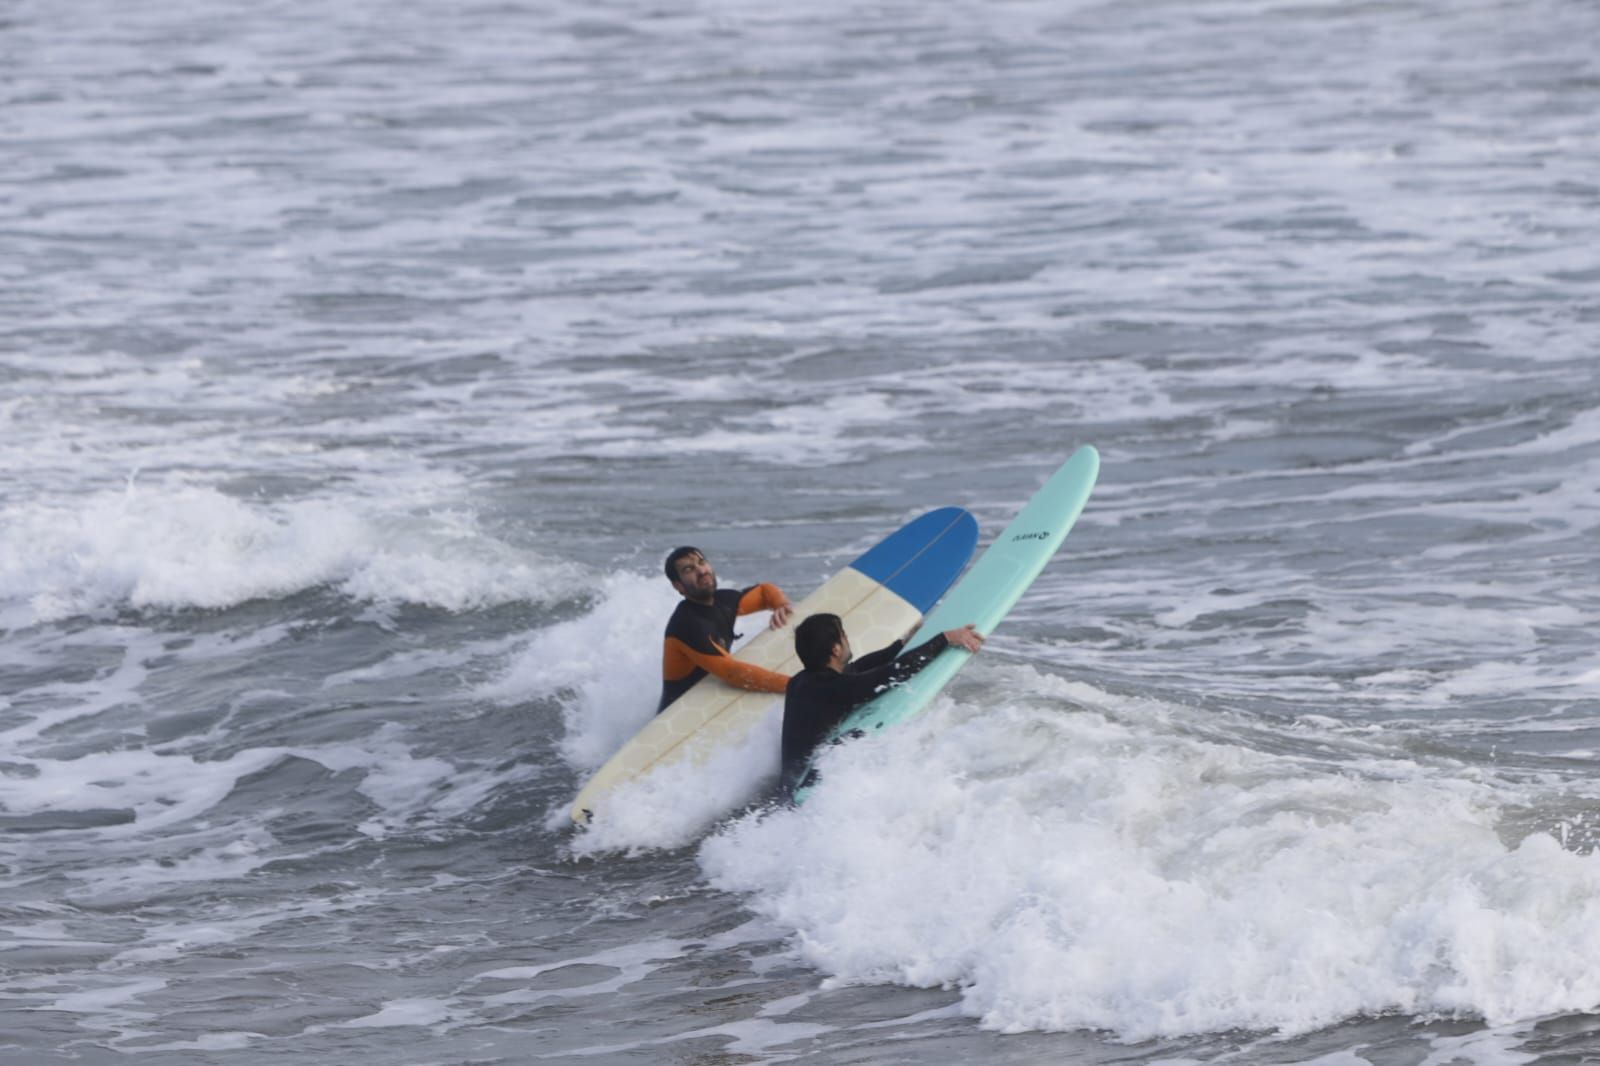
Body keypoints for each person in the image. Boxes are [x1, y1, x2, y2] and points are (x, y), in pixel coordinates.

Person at [779, 613, 984, 796]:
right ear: (835, 649)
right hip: (806, 793)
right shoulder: (833, 688)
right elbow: (892, 673)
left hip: (789, 785)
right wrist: (945, 639)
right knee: (859, 736)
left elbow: (858, 667)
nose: (847, 639)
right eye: (844, 635)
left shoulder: (799, 682)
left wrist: (901, 645)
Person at [658, 546, 795, 713]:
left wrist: (780, 604)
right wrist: (794, 685)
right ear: (678, 586)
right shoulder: (687, 624)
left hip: (712, 700)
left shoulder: (722, 601)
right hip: (678, 715)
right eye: (689, 569)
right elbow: (733, 673)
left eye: (702, 562)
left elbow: (765, 591)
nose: (701, 571)